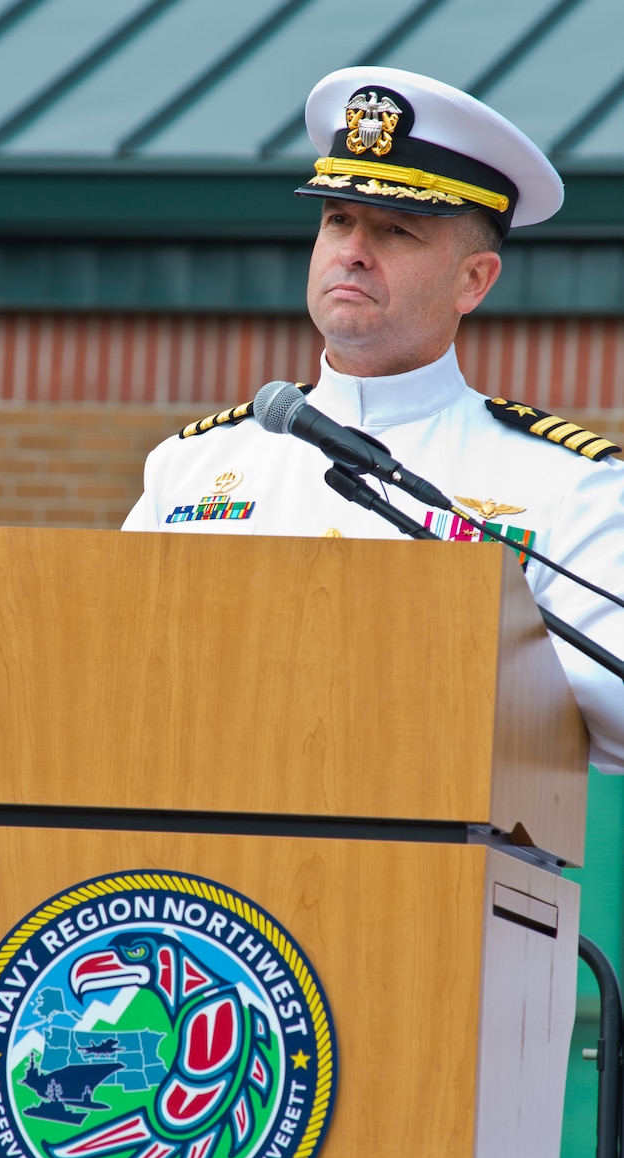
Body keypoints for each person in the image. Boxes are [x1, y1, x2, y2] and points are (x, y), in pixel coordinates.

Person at [122, 66, 624, 774]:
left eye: (396, 231)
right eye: (337, 220)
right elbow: (109, 675)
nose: (352, 250)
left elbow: (615, 711)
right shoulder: (191, 466)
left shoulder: (569, 485)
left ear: (473, 280)